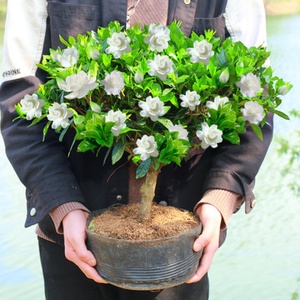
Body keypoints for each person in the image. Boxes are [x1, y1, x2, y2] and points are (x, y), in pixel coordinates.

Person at [0, 0, 272, 299]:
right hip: (70, 241)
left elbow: (255, 97)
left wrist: (220, 199)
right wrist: (63, 206)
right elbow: (19, 103)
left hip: (181, 240)